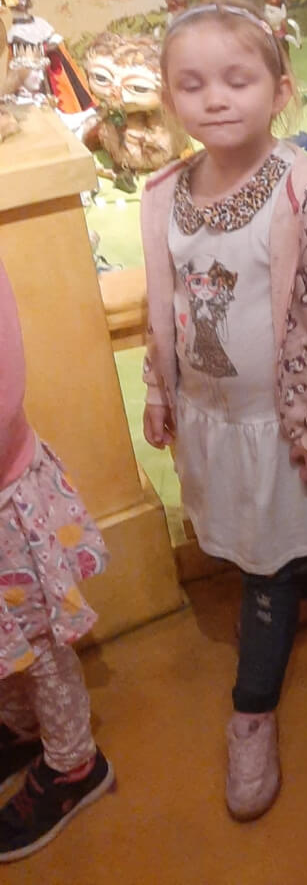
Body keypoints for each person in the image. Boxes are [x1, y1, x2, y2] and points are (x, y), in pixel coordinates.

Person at [141, 0, 307, 822]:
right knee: (262, 529)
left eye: (237, 80)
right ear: (170, 97)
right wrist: (159, 388)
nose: (216, 99)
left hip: (283, 420)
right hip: (211, 416)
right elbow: (163, 306)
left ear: (280, 88)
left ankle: (252, 710)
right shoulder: (166, 193)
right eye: (193, 84)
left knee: (262, 561)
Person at [0, 260, 114, 862]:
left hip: (5, 505)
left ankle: (74, 764)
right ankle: (25, 728)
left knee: (38, 641)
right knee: (10, 646)